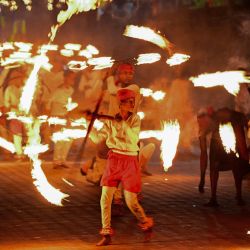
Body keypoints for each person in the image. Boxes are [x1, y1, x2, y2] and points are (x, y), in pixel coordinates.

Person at [89, 87, 154, 246]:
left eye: (133, 101)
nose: (132, 104)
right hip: (114, 160)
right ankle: (106, 232)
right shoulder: (111, 120)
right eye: (128, 102)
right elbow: (100, 138)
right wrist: (90, 125)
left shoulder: (135, 119)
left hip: (130, 161)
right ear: (120, 104)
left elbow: (132, 137)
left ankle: (145, 222)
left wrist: (121, 123)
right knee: (105, 198)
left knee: (131, 202)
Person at [197, 106, 250, 206]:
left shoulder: (232, 118)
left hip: (234, 139)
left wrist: (245, 157)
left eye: (201, 122)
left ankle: (239, 196)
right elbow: (203, 153)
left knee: (237, 164)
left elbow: (242, 143)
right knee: (214, 165)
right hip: (218, 145)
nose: (200, 125)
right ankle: (213, 198)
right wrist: (202, 179)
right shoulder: (204, 130)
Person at [45, 70, 76, 168]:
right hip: (57, 116)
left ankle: (63, 160)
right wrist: (49, 118)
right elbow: (48, 104)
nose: (73, 80)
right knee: (59, 139)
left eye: (73, 78)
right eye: (71, 77)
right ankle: (56, 161)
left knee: (68, 139)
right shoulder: (58, 91)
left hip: (67, 117)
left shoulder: (71, 90)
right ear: (65, 78)